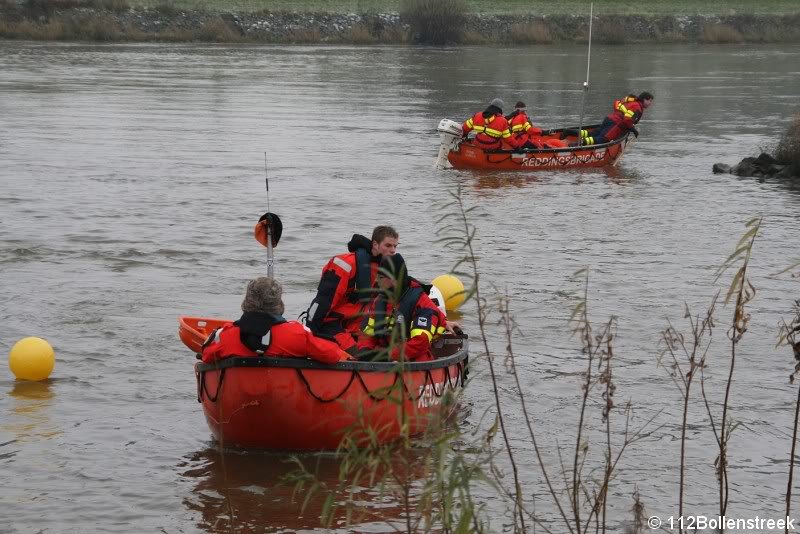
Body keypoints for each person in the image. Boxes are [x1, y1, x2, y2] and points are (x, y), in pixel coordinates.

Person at [201, 277, 350, 364]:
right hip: (287, 397)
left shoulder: (226, 336)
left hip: (241, 396)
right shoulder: (296, 334)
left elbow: (206, 355)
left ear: (247, 300)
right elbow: (332, 355)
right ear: (278, 302)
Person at [306, 225, 399, 354]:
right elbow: (322, 303)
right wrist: (310, 335)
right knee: (359, 355)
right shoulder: (344, 265)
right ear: (375, 244)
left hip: (358, 325)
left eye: (395, 246)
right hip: (331, 324)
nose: (393, 250)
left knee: (384, 351)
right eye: (388, 246)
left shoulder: (386, 270)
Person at [357, 254, 448, 362]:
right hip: (385, 355)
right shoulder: (379, 301)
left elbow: (420, 343)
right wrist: (365, 351)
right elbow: (367, 334)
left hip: (414, 358)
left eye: (381, 277)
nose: (376, 280)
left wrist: (388, 355)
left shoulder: (422, 304)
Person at [581, 91, 654, 145]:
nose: (650, 103)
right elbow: (627, 120)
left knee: (594, 133)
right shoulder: (637, 107)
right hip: (615, 123)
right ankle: (580, 143)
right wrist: (633, 129)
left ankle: (571, 133)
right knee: (603, 139)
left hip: (609, 118)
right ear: (644, 99)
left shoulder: (631, 102)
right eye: (650, 101)